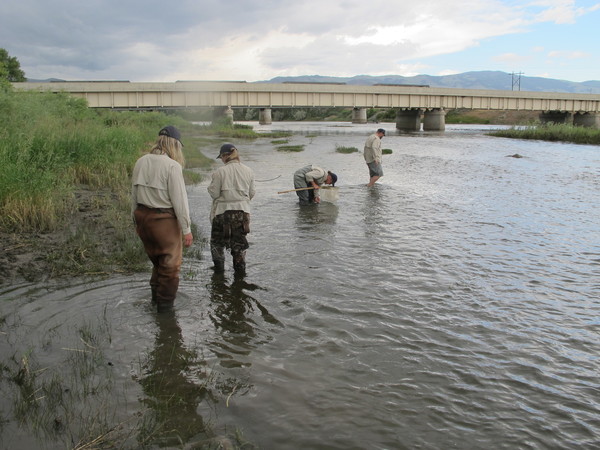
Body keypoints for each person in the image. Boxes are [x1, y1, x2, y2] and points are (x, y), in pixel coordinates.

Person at [132, 125, 193, 312]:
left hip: (143, 219)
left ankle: (154, 301)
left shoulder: (140, 161)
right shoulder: (172, 166)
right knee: (170, 268)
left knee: (158, 264)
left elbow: (133, 194)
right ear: (174, 144)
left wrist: (135, 221)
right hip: (163, 222)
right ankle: (165, 314)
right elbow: (180, 201)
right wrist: (187, 229)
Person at [208, 143, 256, 275]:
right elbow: (251, 194)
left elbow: (214, 194)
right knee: (238, 247)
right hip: (243, 214)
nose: (221, 160)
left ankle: (219, 275)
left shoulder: (219, 172)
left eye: (221, 157)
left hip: (222, 213)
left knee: (217, 244)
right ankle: (240, 279)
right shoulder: (249, 171)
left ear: (225, 156)